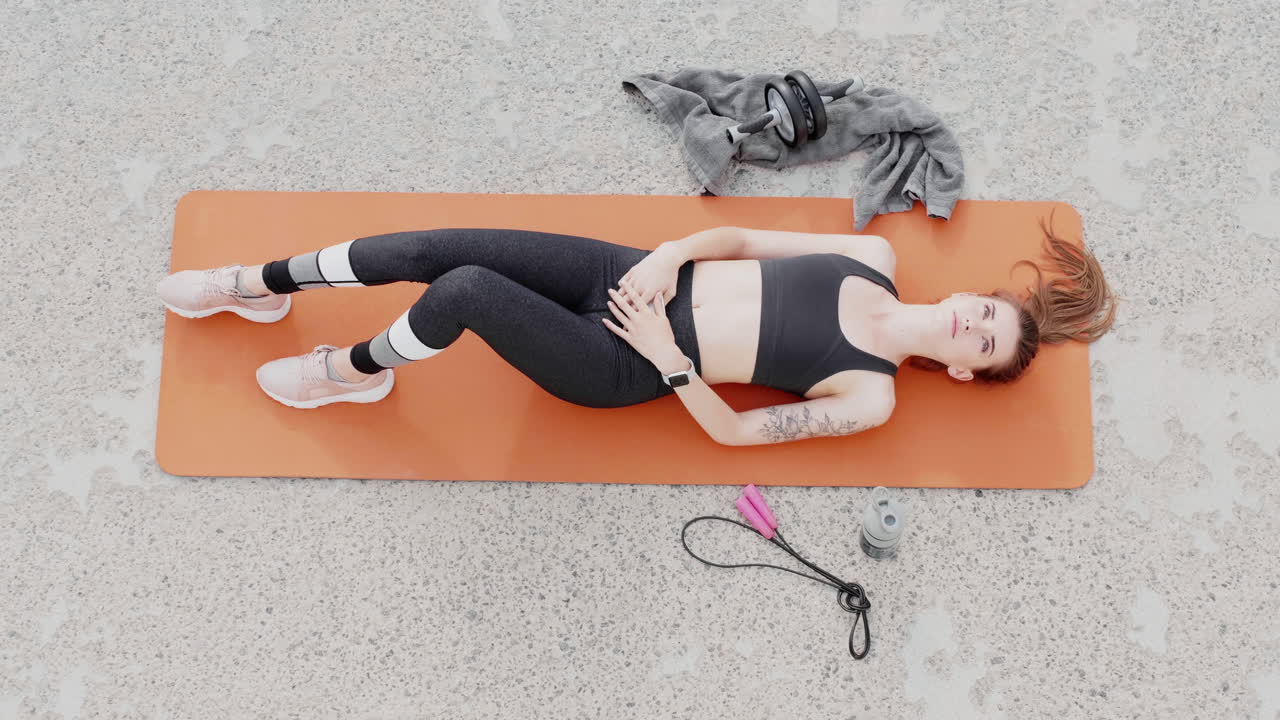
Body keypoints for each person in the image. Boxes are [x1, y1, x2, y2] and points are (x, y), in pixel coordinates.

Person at [156, 220, 1116, 446]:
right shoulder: (870, 255)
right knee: (431, 242)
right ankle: (259, 284)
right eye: (987, 311)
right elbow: (736, 237)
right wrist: (664, 262)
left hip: (625, 362)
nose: (970, 322)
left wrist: (665, 357)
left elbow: (738, 433)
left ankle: (355, 371)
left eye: (981, 343)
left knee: (467, 289)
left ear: (959, 371)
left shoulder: (873, 394)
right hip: (630, 276)